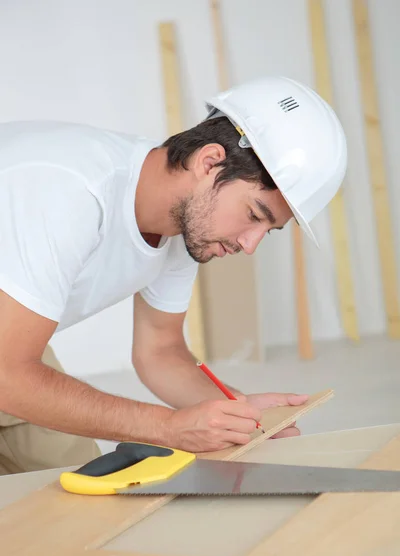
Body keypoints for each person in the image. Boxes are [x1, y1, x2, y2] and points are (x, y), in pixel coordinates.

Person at [0, 75, 347, 474]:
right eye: (254, 215)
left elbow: (160, 352)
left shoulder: (182, 222)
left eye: (267, 231)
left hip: (8, 344)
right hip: (8, 359)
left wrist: (237, 411)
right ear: (209, 162)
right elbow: (9, 374)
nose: (249, 245)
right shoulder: (71, 191)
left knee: (67, 496)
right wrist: (168, 428)